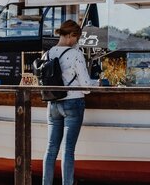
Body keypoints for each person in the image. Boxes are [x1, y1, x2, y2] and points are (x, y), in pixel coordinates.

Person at [42, 20, 95, 185]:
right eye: (77, 38)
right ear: (71, 35)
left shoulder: (48, 54)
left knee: (51, 149)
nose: (77, 42)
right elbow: (86, 87)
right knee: (68, 150)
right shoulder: (76, 55)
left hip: (53, 104)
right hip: (73, 103)